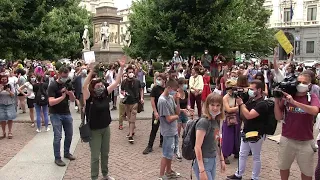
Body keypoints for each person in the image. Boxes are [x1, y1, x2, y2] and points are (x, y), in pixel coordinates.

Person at [83, 58, 125, 180]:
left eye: (102, 85)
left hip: (106, 128)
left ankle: (105, 174)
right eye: (98, 85)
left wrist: (121, 68)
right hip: (94, 130)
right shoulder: (89, 97)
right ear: (93, 87)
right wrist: (91, 71)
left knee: (105, 153)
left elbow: (117, 82)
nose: (101, 87)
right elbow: (84, 86)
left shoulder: (105, 93)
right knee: (95, 156)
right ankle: (94, 177)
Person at [274, 71, 320, 180]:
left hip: (306, 141)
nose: (301, 84)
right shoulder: (287, 97)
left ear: (309, 85)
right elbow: (278, 117)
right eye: (299, 82)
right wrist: (277, 101)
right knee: (284, 167)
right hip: (287, 139)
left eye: (304, 82)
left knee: (307, 172)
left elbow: (314, 111)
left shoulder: (312, 97)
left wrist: (294, 102)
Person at [227, 80, 269, 180]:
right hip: (246, 131)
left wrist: (241, 104)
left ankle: (255, 177)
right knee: (242, 154)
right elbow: (243, 115)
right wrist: (241, 104)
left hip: (256, 133)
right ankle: (238, 174)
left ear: (259, 90)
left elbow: (249, 115)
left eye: (252, 89)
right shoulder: (251, 100)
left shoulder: (262, 103)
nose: (249, 91)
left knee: (255, 156)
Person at [48, 66, 76, 167]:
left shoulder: (68, 84)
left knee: (69, 134)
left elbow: (73, 100)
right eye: (63, 76)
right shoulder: (53, 85)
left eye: (66, 75)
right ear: (59, 74)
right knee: (58, 136)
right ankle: (57, 158)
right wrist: (62, 97)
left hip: (66, 112)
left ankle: (67, 152)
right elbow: (51, 102)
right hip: (55, 113)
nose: (65, 77)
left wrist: (70, 93)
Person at [194, 93, 226, 180]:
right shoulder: (204, 122)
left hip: (212, 160)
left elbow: (217, 141)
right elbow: (197, 147)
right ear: (207, 105)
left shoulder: (216, 120)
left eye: (218, 105)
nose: (215, 108)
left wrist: (221, 159)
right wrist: (202, 170)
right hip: (204, 161)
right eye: (212, 105)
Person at [157, 78, 185, 180]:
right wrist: (178, 117)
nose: (175, 92)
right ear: (168, 88)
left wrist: (177, 100)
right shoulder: (162, 100)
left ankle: (168, 171)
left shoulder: (170, 98)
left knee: (171, 153)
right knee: (166, 153)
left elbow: (176, 112)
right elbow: (168, 118)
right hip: (167, 131)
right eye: (174, 89)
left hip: (173, 130)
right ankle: (161, 175)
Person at [143, 73, 166, 155]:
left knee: (164, 128)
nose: (158, 81)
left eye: (160, 79)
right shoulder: (155, 88)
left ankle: (162, 142)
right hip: (157, 111)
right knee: (154, 128)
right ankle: (149, 146)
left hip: (165, 112)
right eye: (157, 79)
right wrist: (155, 112)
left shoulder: (166, 88)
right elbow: (152, 101)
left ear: (164, 80)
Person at [121, 65, 144, 143]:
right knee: (129, 118)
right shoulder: (124, 82)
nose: (131, 73)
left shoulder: (137, 81)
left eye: (132, 72)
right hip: (127, 102)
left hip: (135, 102)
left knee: (132, 119)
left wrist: (141, 98)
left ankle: (130, 135)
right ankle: (132, 130)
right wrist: (124, 93)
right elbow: (121, 90)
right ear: (127, 73)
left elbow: (141, 89)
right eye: (129, 72)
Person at [222, 80, 241, 164]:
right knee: (227, 137)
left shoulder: (236, 96)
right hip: (228, 118)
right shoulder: (225, 97)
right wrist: (237, 107)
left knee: (236, 135)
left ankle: (236, 151)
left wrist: (237, 107)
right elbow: (228, 109)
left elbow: (239, 105)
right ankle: (225, 155)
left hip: (236, 117)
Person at [0, 74, 16, 139]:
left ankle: (10, 131)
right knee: (2, 118)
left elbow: (13, 95)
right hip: (1, 104)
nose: (4, 81)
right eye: (2, 79)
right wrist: (0, 89)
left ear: (7, 79)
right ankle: (3, 132)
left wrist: (9, 91)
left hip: (10, 104)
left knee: (10, 117)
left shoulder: (10, 85)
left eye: (5, 79)